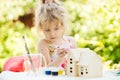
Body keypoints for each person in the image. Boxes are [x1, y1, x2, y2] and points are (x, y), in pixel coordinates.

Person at [35, 3, 77, 68]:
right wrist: (60, 59)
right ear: (41, 28)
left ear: (63, 25)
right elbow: (46, 68)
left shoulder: (71, 41)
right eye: (47, 30)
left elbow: (76, 63)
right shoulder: (43, 44)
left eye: (56, 29)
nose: (52, 34)